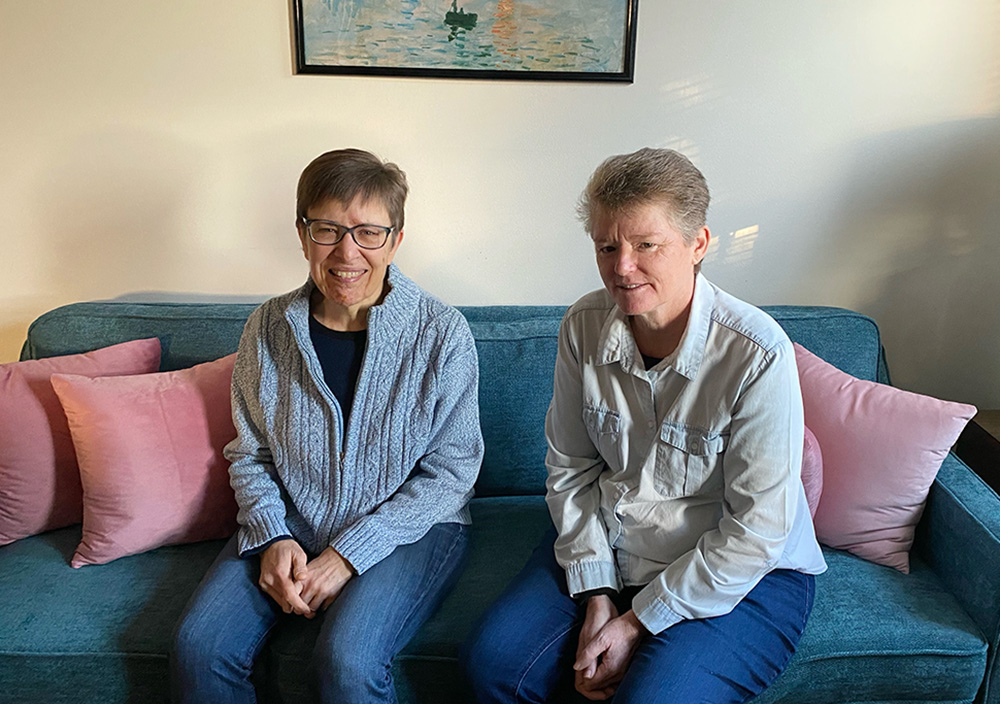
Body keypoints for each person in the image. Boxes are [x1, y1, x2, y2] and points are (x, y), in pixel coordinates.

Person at [462, 148, 826, 703]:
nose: (622, 267)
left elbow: (757, 531)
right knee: (494, 666)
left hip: (741, 570)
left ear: (698, 244)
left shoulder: (756, 353)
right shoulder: (583, 327)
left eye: (645, 245)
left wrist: (636, 623)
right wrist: (598, 592)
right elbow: (571, 469)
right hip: (614, 540)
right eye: (607, 247)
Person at [172, 148, 484, 704]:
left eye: (368, 232)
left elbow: (452, 473)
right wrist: (271, 534)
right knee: (200, 648)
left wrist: (348, 555)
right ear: (301, 232)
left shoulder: (442, 332)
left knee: (346, 662)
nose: (347, 253)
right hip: (291, 520)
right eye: (327, 230)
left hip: (411, 528)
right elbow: (250, 453)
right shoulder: (268, 326)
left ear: (396, 239)